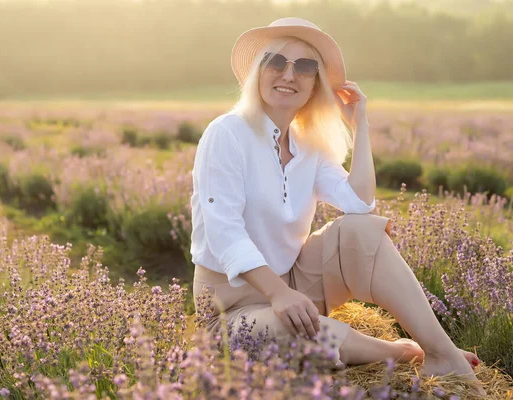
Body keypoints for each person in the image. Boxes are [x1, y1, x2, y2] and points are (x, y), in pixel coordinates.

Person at [190, 17, 485, 395]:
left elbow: (359, 202)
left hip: (294, 282)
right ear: (258, 72)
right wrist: (278, 295)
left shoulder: (307, 144)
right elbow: (224, 231)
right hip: (232, 307)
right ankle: (398, 351)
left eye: (306, 67)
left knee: (363, 228)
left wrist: (359, 124)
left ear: (315, 85)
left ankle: (442, 353)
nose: (289, 74)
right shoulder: (226, 133)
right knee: (305, 331)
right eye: (276, 62)